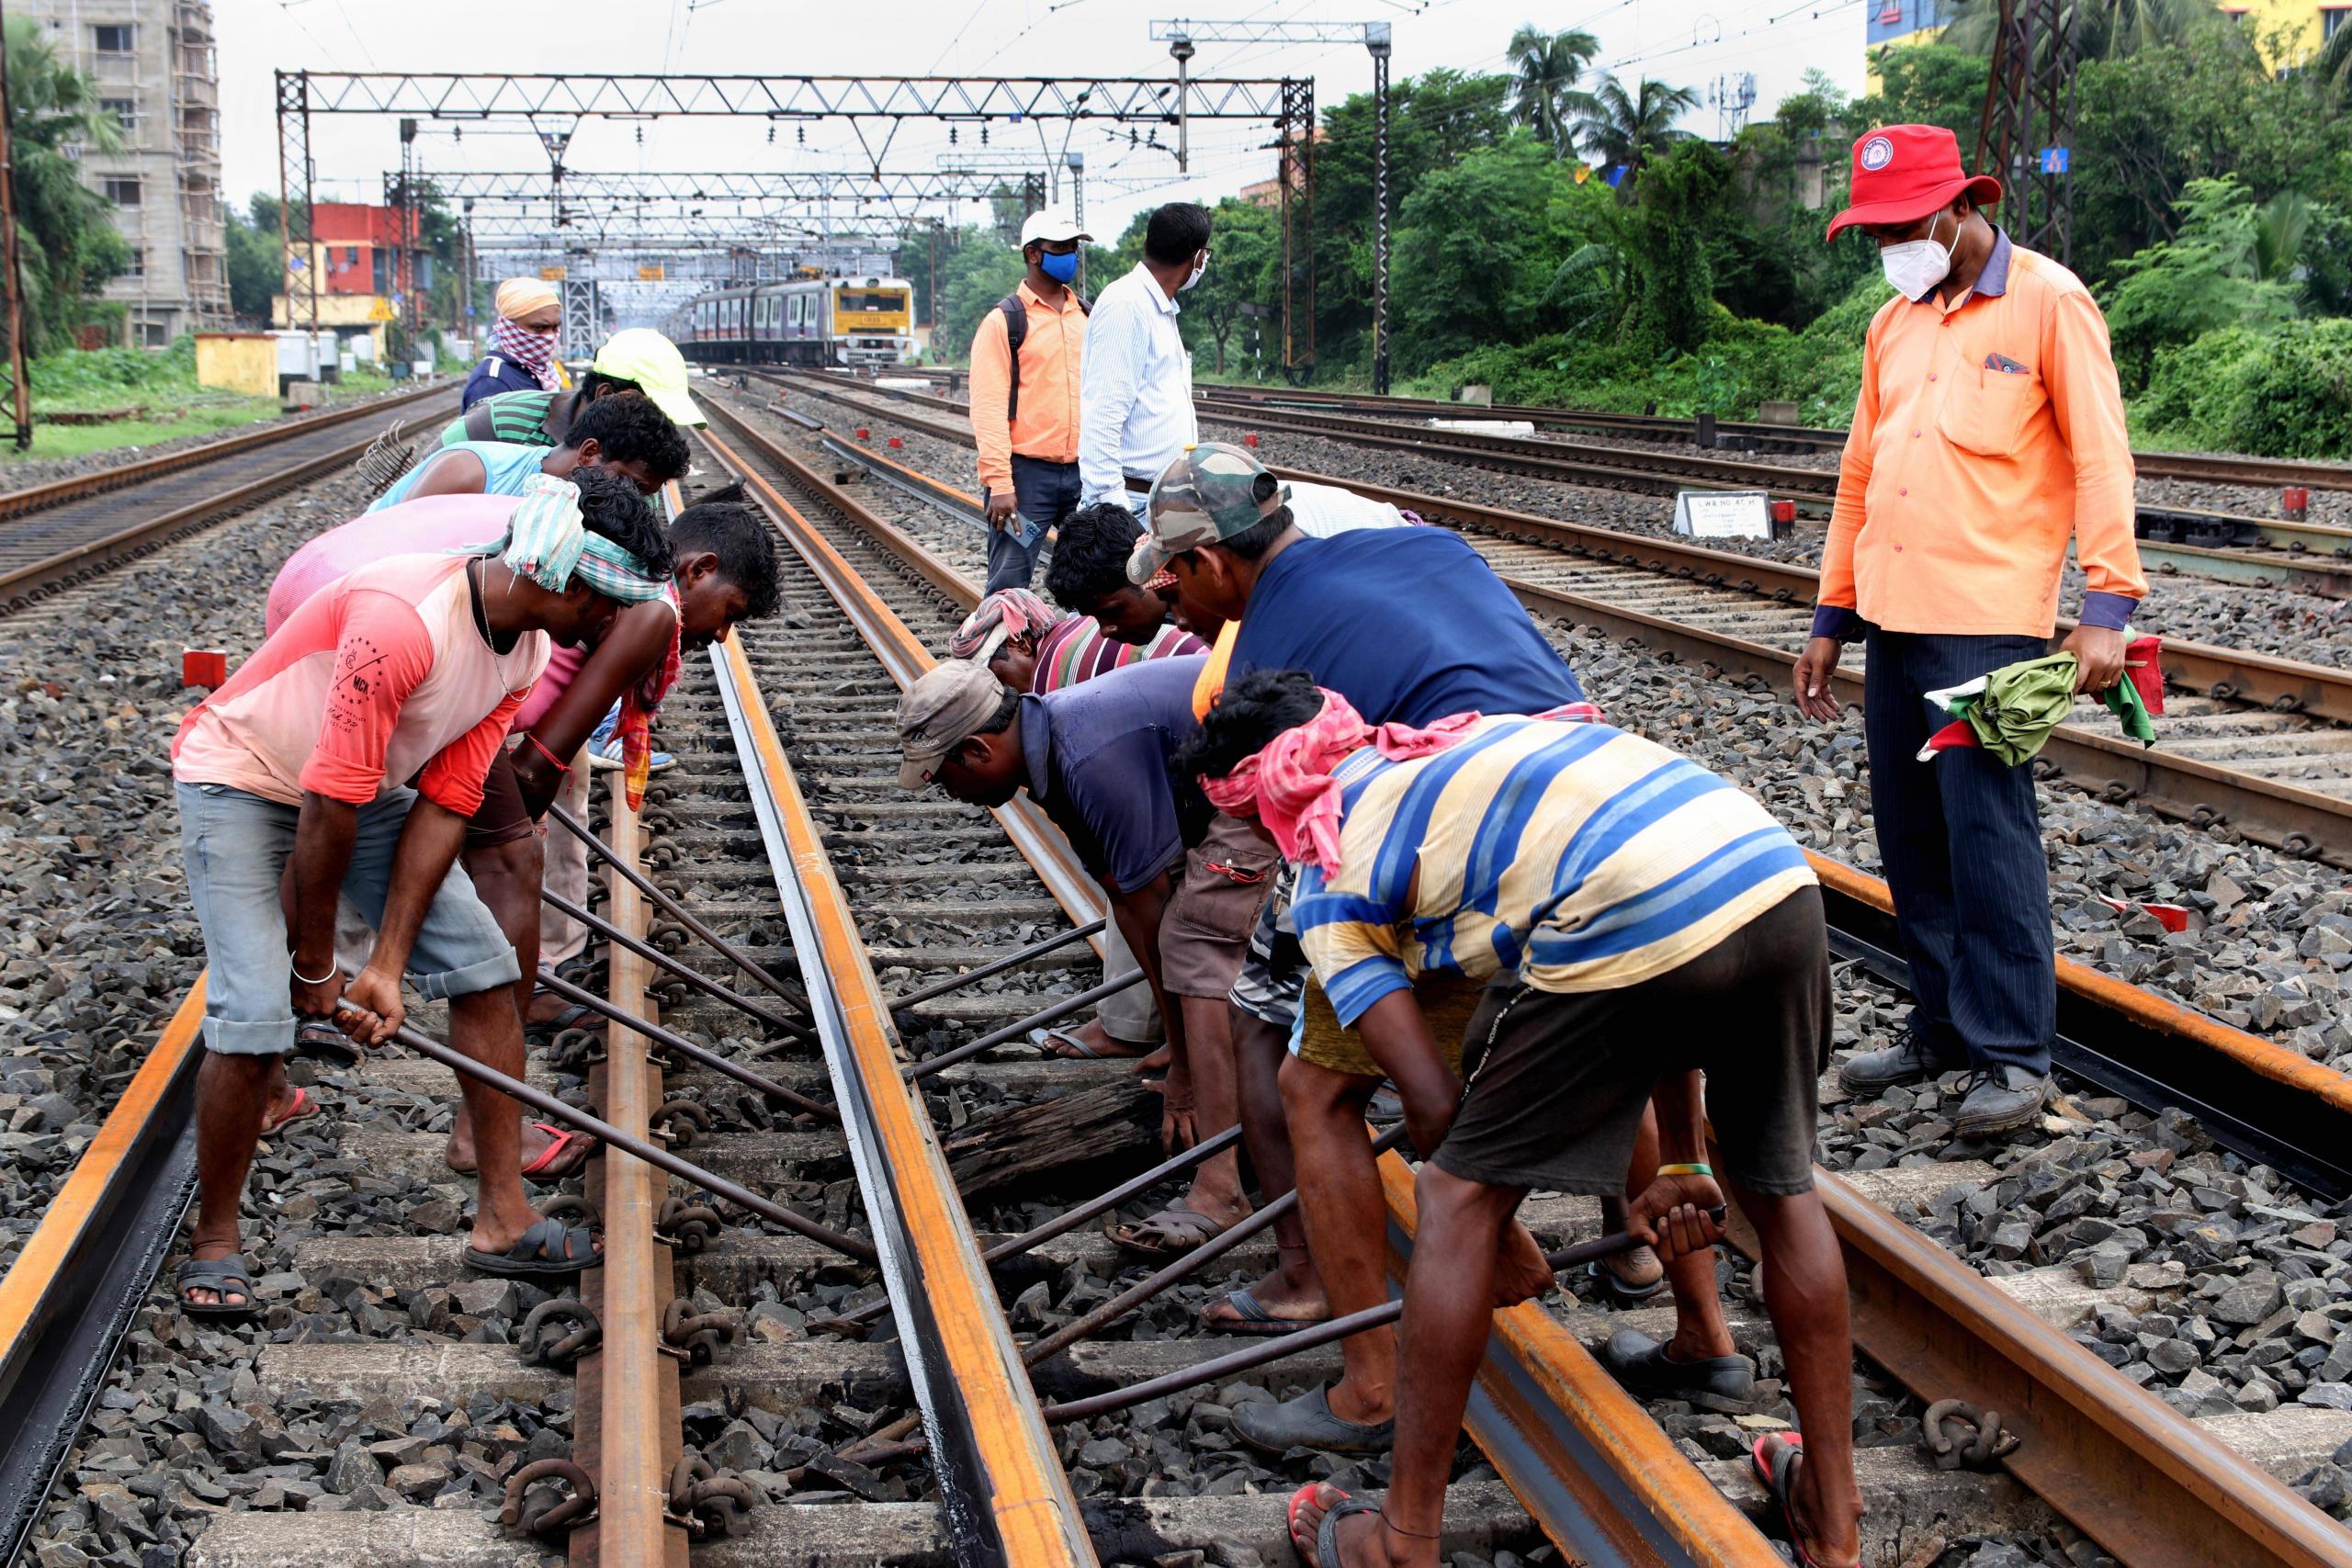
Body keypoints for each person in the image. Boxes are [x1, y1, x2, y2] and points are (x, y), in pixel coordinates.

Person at [1179, 670, 1862, 1568]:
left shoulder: (1328, 867)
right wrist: (1684, 1164)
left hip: (1631, 903)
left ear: (1257, 794)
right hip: (1770, 873)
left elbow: (1429, 1101)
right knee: (1782, 1194)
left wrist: (1496, 1232)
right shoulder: (1449, 746)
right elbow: (1672, 983)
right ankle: (1833, 1525)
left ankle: (1400, 1541)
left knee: (1458, 1200)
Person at [1127, 444, 1742, 1441]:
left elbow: (1330, 813)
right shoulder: (1424, 545)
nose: (1175, 602)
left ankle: (1368, 1386)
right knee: (1596, 1042)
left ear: (1207, 562)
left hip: (1469, 818)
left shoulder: (1267, 632)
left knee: (1314, 1087)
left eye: (1171, 580)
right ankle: (1703, 1330)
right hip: (1596, 800)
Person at [166, 479, 666, 1316]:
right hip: (244, 779)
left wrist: (390, 967)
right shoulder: (405, 623)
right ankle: (215, 1240)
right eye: (613, 608)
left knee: (482, 964)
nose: (614, 629)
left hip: (361, 792)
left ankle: (503, 1219)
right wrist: (317, 968)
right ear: (571, 585)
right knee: (254, 1016)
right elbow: (323, 806)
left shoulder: (526, 650)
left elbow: (445, 803)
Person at [266, 479, 785, 1174]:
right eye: (730, 614)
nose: (720, 635)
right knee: (510, 860)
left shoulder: (586, 550)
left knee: (336, 817)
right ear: (696, 571)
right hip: (370, 607)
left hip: (322, 583)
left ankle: (279, 1056)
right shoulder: (649, 600)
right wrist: (502, 846)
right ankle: (488, 1123)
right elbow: (539, 767)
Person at [1793, 124, 2145, 1141]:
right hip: (1894, 619)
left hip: (1988, 629)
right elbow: (1859, 477)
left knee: (1988, 838)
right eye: (1874, 232)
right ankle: (1942, 1025)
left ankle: (2012, 1052)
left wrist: (2107, 605)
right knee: (1912, 837)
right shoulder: (1892, 323)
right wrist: (1831, 614)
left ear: (1956, 210)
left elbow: (2100, 459)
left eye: (1901, 226)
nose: (1888, 246)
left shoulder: (2047, 299)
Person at [896, 655, 1276, 1260]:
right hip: (1221, 770)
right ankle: (1216, 1068)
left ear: (975, 750)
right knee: (1180, 937)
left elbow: (1162, 927)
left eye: (942, 777)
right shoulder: (1051, 755)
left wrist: (1184, 1073)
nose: (949, 793)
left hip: (1266, 768)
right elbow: (1126, 898)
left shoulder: (1087, 759)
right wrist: (1178, 1048)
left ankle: (1221, 1187)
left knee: (1195, 944)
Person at [948, 585, 1204, 1067]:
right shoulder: (1062, 656)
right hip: (1184, 742)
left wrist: (1185, 1060)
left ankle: (1135, 1029)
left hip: (1223, 741)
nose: (995, 695)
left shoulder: (1059, 689)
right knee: (1127, 879)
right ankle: (1164, 1027)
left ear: (1022, 645)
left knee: (1142, 880)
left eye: (994, 674)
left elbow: (1138, 890)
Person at [969, 209, 1091, 593]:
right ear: (1033, 254)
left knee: (1093, 579)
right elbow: (988, 407)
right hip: (1025, 480)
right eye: (1060, 247)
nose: (1070, 255)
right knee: (1010, 581)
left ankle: (1081, 652)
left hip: (1083, 475)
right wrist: (1000, 483)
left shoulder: (1087, 315)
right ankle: (1002, 652)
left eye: (1073, 247)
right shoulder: (1005, 322)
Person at [1079, 203, 1208, 517]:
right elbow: (1103, 413)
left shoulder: (1158, 308)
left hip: (1156, 500)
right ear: (1197, 257)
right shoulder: (1126, 305)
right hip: (1130, 502)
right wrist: (1112, 506)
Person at [371, 392, 689, 511]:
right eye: (633, 485)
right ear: (589, 452)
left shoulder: (583, 504)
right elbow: (395, 553)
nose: (634, 500)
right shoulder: (471, 473)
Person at [447, 328, 706, 449]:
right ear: (604, 395)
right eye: (648, 418)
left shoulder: (633, 456)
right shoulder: (499, 421)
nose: (657, 431)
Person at [461, 279, 565, 410]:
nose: (549, 336)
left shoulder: (543, 373)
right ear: (509, 326)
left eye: (555, 327)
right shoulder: (492, 382)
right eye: (539, 328)